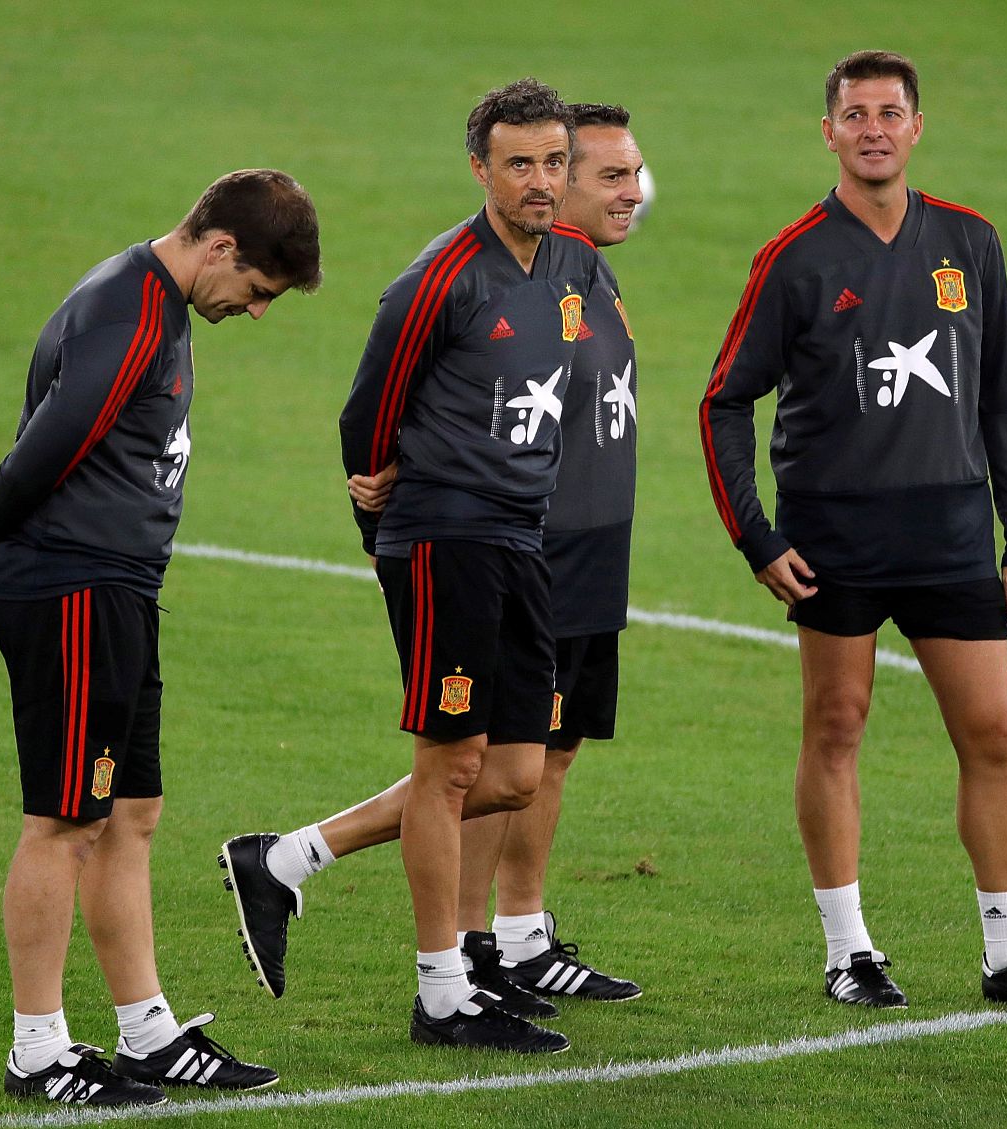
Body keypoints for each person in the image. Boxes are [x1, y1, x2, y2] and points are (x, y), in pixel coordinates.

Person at [697, 51, 1007, 1013]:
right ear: (829, 131)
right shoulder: (794, 257)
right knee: (836, 727)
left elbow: (1005, 399)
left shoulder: (970, 242)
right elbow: (726, 400)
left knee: (993, 732)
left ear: (917, 126)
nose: (874, 128)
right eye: (855, 114)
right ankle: (850, 951)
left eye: (890, 112)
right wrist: (758, 539)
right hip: (833, 538)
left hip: (953, 535)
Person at [0, 169, 322, 1107]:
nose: (255, 312)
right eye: (258, 291)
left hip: (119, 593)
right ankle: (38, 1052)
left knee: (128, 813)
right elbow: (57, 435)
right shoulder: (131, 309)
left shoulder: (156, 304)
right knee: (64, 822)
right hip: (72, 591)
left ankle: (146, 1033)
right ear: (219, 246)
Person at [219, 78, 600, 1054]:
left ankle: (287, 856)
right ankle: (441, 990)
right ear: (480, 168)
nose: (540, 180)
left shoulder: (574, 272)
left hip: (524, 541)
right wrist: (387, 527)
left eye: (554, 161)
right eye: (518, 162)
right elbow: (365, 414)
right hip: (443, 540)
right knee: (449, 766)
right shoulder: (440, 278)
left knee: (514, 772)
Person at [454, 102, 645, 1006]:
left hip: (598, 549)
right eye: (610, 177)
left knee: (556, 749)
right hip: (534, 550)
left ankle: (523, 935)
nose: (632, 192)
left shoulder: (592, 275)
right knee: (494, 759)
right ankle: (462, 945)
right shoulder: (507, 285)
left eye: (632, 174)